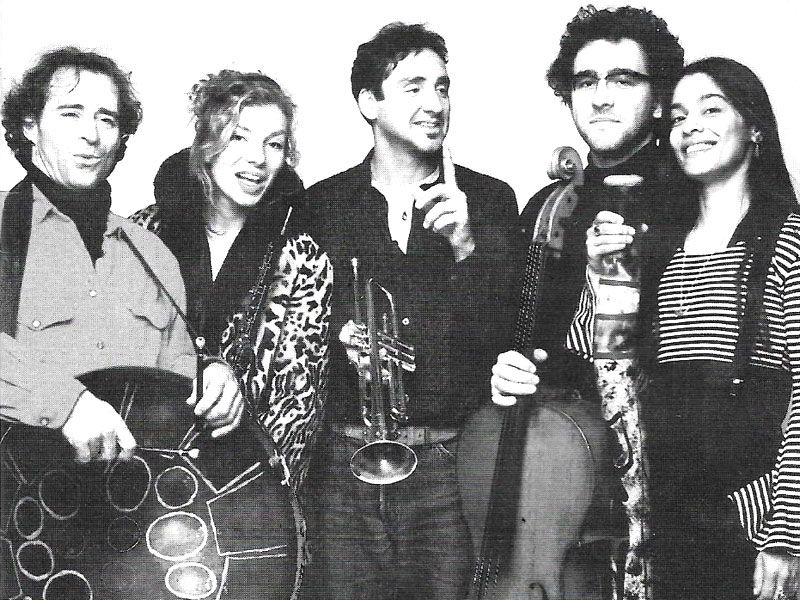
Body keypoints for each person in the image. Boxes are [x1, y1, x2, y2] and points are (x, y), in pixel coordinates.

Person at [303, 22, 518, 600]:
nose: (435, 104)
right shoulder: (319, 202)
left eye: (443, 88)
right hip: (343, 465)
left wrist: (467, 246)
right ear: (368, 103)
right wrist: (338, 335)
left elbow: (508, 340)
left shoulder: (492, 199)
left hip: (449, 463)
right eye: (414, 87)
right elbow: (291, 327)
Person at [588, 57, 800, 600]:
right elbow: (606, 366)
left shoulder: (788, 239)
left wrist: (786, 535)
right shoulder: (659, 246)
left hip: (752, 523)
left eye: (711, 110)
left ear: (755, 128)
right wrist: (601, 272)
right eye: (678, 117)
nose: (690, 127)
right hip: (666, 522)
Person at [0, 48, 241, 464]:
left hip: (133, 494)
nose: (91, 134)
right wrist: (67, 404)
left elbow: (174, 383)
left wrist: (213, 379)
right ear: (30, 126)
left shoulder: (151, 253)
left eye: (107, 119)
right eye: (71, 114)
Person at [131, 70, 332, 492]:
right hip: (138, 471)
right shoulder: (142, 233)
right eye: (239, 137)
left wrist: (257, 503)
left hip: (242, 490)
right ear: (208, 143)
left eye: (274, 144)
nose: (258, 158)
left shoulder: (304, 258)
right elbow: (117, 360)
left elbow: (296, 409)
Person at [490, 5, 683, 407]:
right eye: (585, 82)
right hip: (557, 434)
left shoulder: (690, 197)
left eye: (623, 81)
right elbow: (513, 329)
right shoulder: (546, 205)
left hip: (661, 430)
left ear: (660, 101)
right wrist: (506, 368)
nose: (600, 99)